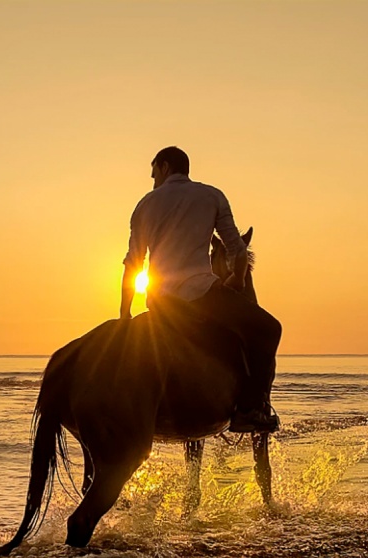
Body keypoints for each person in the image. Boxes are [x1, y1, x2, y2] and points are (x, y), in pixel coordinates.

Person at [120, 146, 282, 433]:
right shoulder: (211, 195)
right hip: (202, 295)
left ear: (166, 167)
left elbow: (133, 264)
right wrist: (236, 280)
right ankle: (250, 409)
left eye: (154, 172)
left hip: (160, 303)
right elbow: (238, 251)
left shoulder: (144, 204)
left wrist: (124, 315)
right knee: (270, 328)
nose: (153, 179)